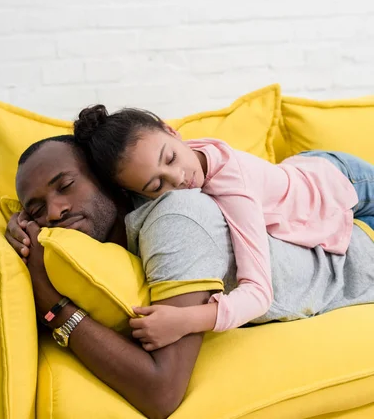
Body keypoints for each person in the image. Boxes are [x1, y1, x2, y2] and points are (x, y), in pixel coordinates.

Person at [6, 134, 374, 417]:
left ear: (106, 178)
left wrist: (51, 304)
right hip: (307, 190)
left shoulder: (175, 220)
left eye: (66, 185)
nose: (54, 211)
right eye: (37, 208)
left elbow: (160, 394)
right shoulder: (124, 225)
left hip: (353, 218)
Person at [73, 104, 374, 350]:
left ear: (172, 130)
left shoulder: (234, 189)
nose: (177, 178)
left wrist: (185, 320)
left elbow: (258, 294)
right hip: (297, 175)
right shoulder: (162, 167)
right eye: (156, 184)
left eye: (171, 158)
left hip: (342, 181)